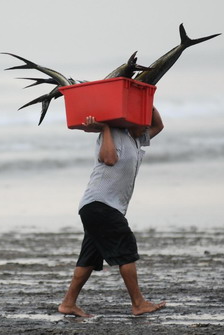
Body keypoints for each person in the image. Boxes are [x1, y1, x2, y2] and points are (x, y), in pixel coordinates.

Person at [58, 107, 166, 317]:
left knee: (89, 256)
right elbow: (108, 159)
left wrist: (146, 101)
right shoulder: (116, 133)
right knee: (126, 247)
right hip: (99, 205)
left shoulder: (137, 138)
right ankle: (138, 303)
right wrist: (106, 127)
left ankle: (68, 303)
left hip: (100, 207)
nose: (145, 125)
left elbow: (158, 125)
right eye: (141, 120)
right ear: (129, 120)